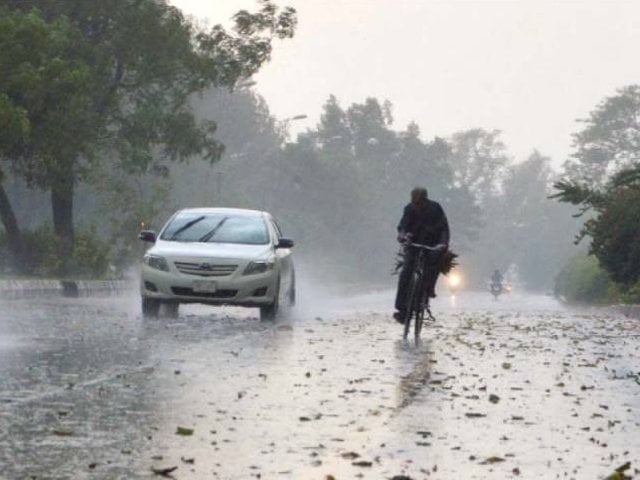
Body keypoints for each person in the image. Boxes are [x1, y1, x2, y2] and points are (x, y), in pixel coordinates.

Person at [394, 187, 450, 323]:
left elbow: (444, 228)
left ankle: (427, 292)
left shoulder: (435, 208)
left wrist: (442, 244)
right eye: (414, 202)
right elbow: (403, 226)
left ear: (425, 200)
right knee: (406, 272)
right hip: (413, 244)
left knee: (432, 267)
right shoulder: (409, 209)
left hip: (432, 245)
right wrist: (402, 236)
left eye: (419, 202)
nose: (416, 205)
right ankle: (402, 309)